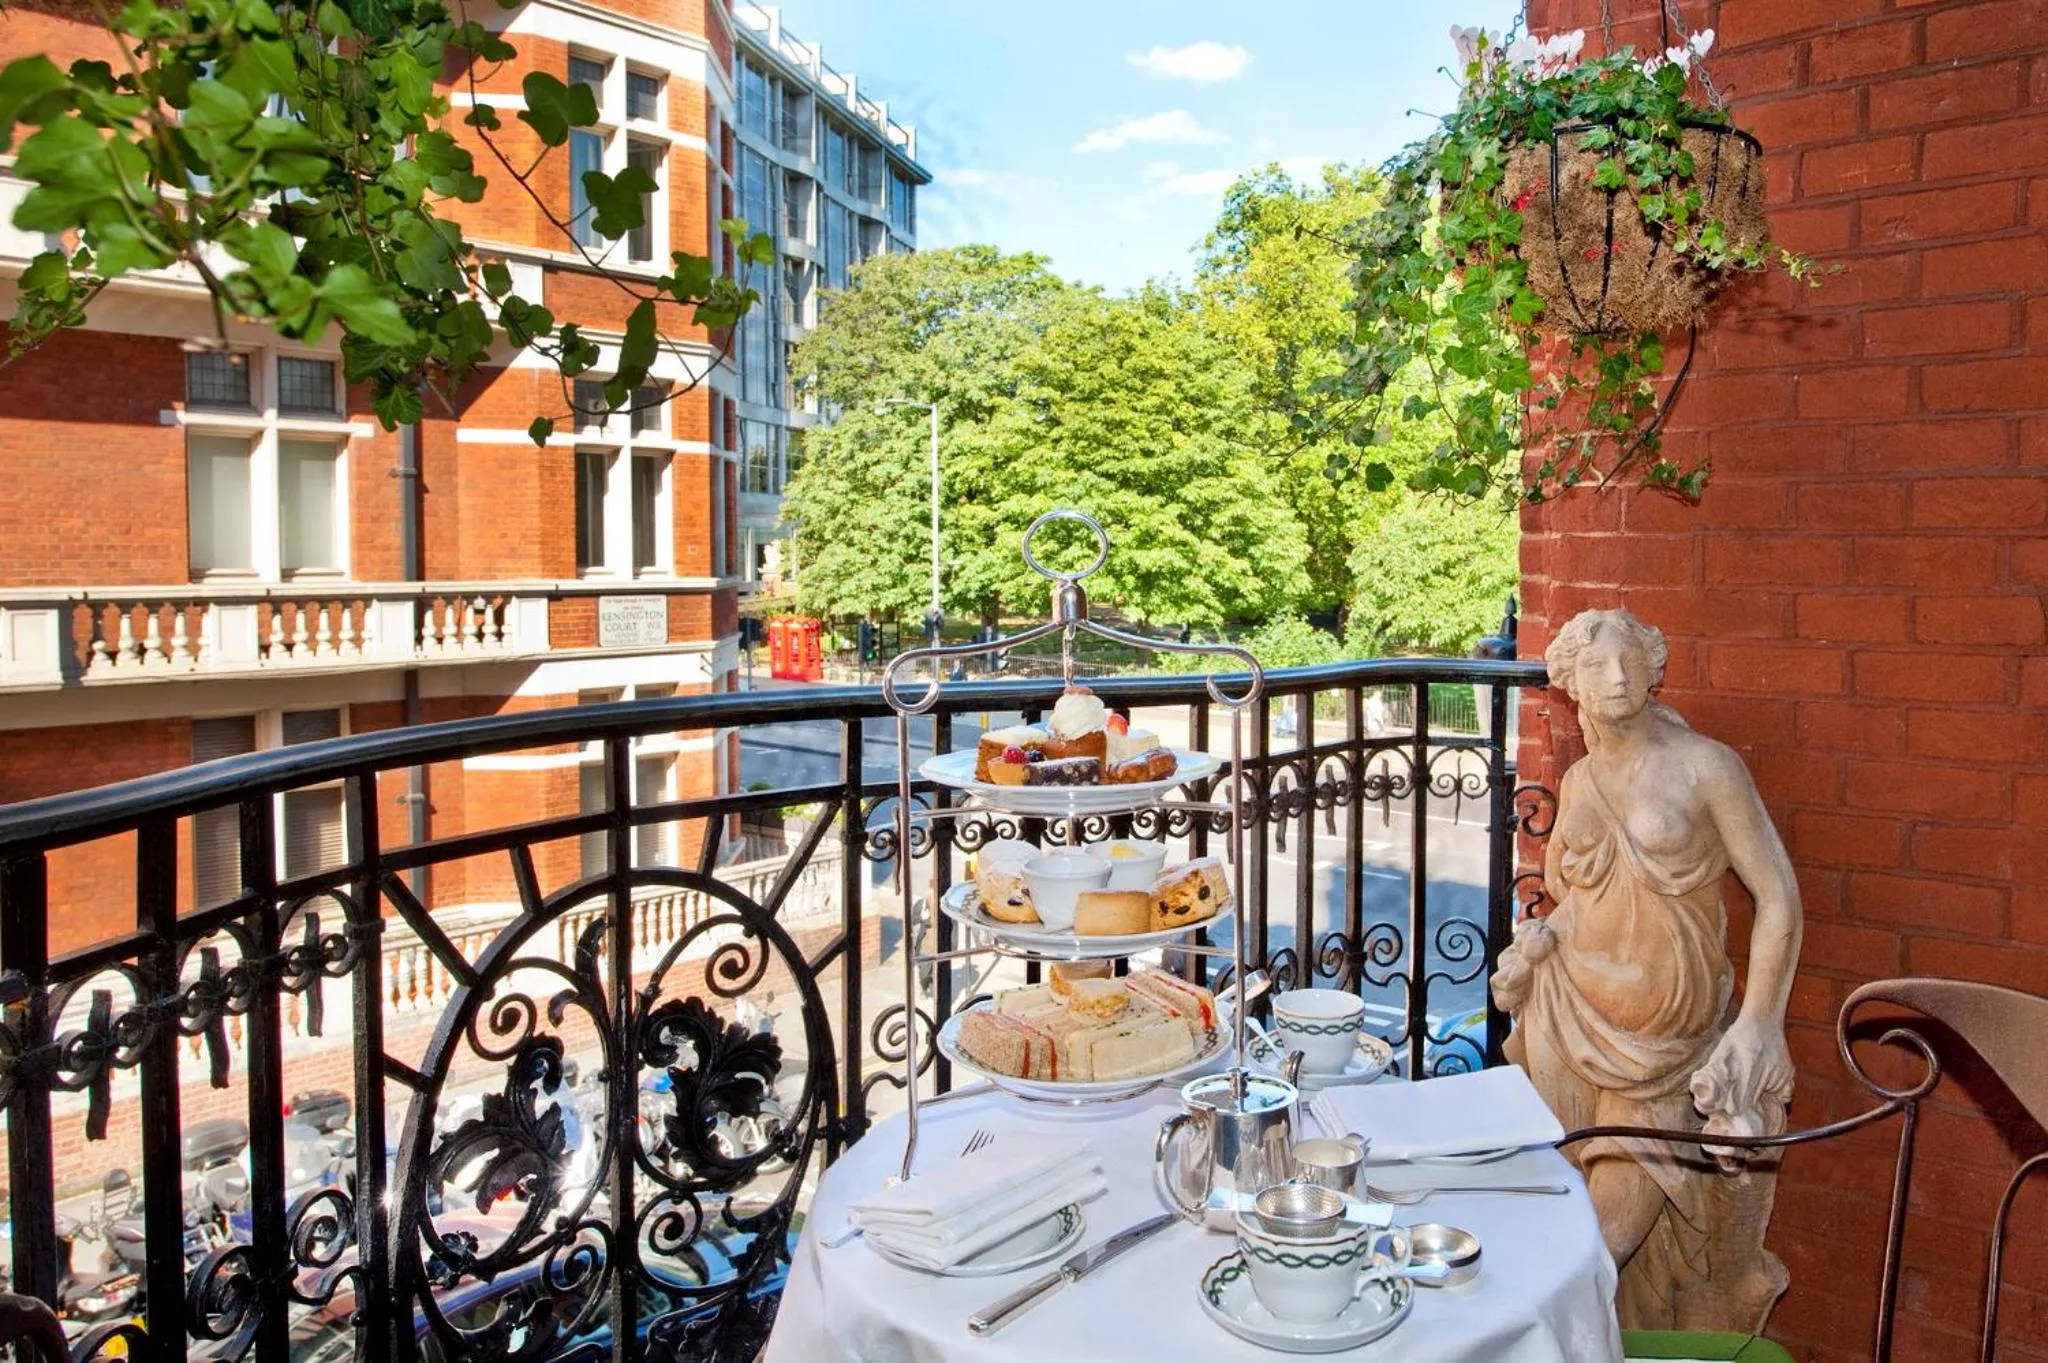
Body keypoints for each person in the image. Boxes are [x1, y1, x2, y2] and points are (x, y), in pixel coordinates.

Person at [1490, 608, 1803, 1332]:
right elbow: (1577, 898)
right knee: (1571, 1213)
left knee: (1594, 1242)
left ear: (1655, 667)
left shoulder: (1705, 765)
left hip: (1665, 1057)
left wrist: (1759, 1022)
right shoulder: (1579, 779)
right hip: (1571, 1030)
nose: (1618, 677)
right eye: (1597, 667)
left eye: (1631, 660)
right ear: (1569, 682)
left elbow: (1779, 893)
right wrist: (1534, 947)